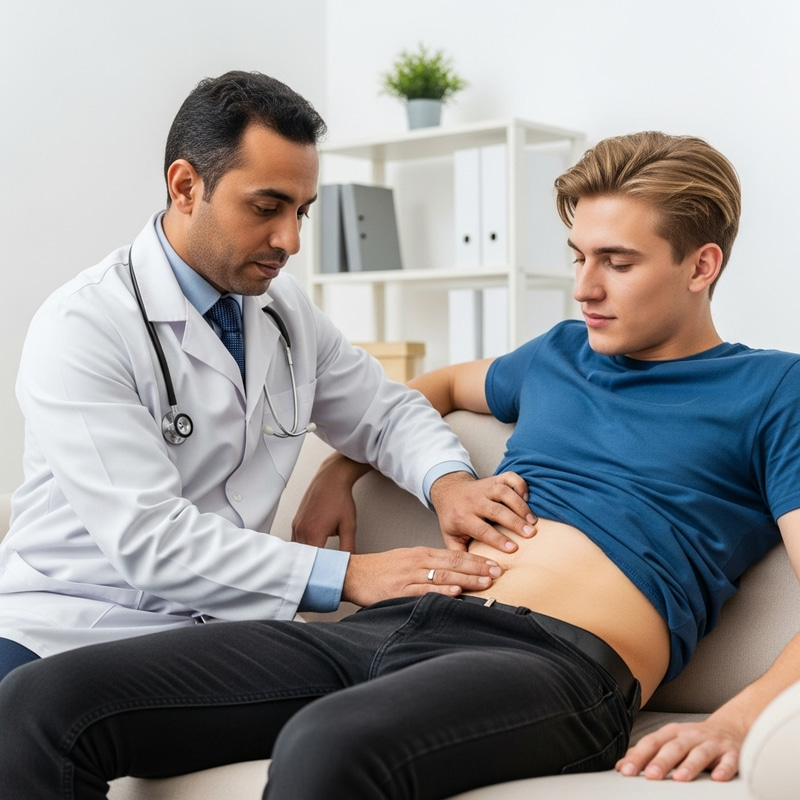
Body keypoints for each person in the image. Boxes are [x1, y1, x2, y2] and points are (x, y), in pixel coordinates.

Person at [2, 130, 799, 799]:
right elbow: (428, 391)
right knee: (42, 702)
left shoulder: (774, 389)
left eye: (617, 263)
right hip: (387, 623)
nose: (584, 288)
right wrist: (337, 472)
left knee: (328, 746)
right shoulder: (561, 353)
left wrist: (742, 716)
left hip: (554, 660)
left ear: (701, 266)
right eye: (577, 256)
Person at [0, 70, 536, 682]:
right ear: (184, 186)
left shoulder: (283, 312)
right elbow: (150, 539)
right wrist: (352, 576)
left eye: (302, 212)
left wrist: (448, 483)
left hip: (219, 632)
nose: (291, 240)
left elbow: (383, 413)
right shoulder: (85, 325)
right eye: (267, 207)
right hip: (69, 624)